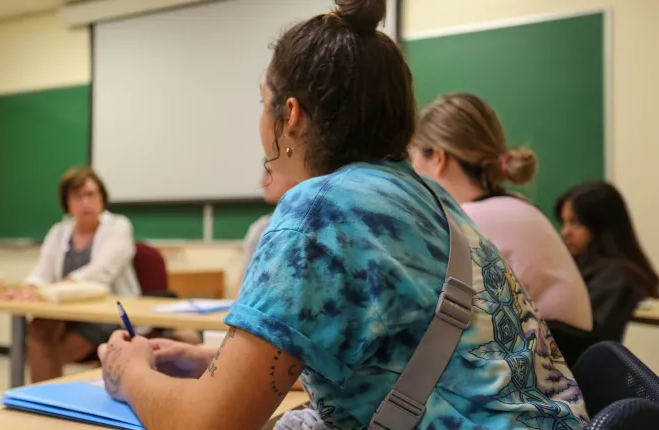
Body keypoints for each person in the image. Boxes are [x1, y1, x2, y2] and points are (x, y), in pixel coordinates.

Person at [97, 1, 588, 429]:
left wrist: (129, 371)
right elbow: (386, 357)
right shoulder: (434, 202)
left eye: (262, 103)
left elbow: (206, 424)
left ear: (289, 114)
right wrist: (208, 360)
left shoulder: (319, 209)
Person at [409, 92, 593, 332]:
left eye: (412, 158)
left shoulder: (468, 220)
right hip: (566, 356)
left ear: (438, 157)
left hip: (544, 359)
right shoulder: (514, 204)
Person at [25, 166, 140, 382]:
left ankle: (54, 395)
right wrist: (30, 287)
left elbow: (101, 273)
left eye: (91, 194)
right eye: (77, 197)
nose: (85, 202)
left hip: (106, 314)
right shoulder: (59, 232)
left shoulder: (118, 226)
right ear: (67, 203)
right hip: (67, 312)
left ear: (102, 197)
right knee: (39, 326)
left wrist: (62, 285)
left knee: (56, 347)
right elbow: (42, 273)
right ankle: (44, 400)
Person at [556, 181, 659, 342]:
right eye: (564, 222)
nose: (565, 232)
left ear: (601, 224)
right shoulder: (577, 268)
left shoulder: (616, 275)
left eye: (575, 222)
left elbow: (581, 338)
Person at [235, 166, 298, 297]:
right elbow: (240, 289)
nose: (262, 182)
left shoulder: (317, 225)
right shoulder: (260, 228)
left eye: (269, 173)